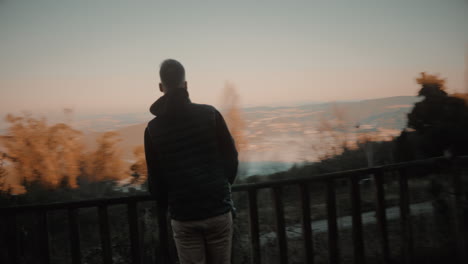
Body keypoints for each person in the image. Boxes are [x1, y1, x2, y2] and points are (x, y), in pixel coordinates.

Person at [144, 59, 238, 264]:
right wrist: (221, 187)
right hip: (217, 210)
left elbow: (155, 178)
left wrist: (168, 203)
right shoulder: (210, 114)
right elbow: (231, 159)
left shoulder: (152, 129)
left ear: (161, 87)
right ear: (185, 85)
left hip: (183, 215)